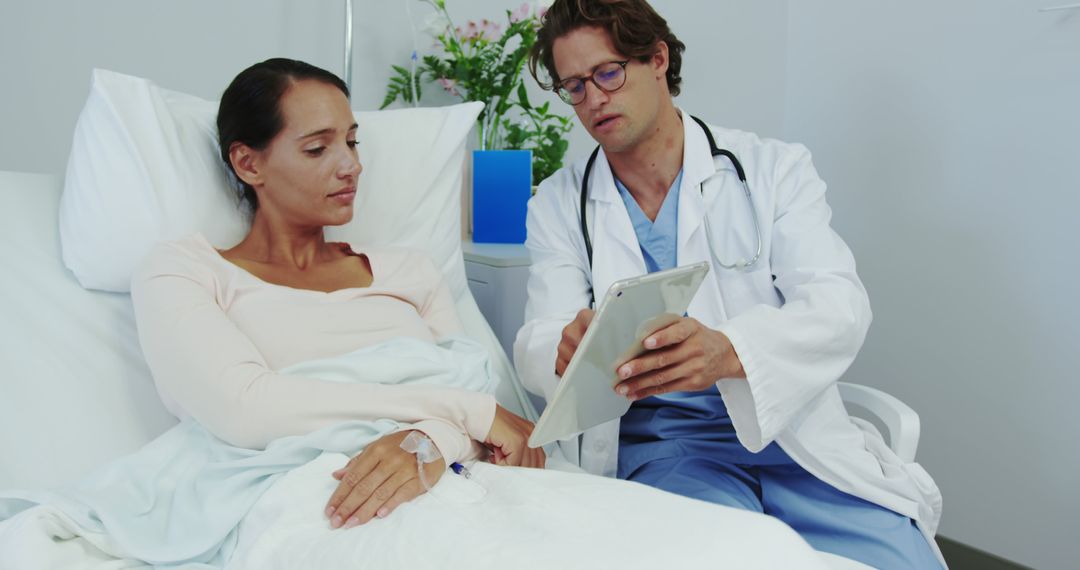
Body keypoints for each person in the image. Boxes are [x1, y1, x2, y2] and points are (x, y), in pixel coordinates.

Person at [514, 1, 945, 568]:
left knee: (903, 562)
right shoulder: (558, 203)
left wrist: (731, 351)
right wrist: (563, 345)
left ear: (658, 59)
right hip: (671, 453)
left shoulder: (773, 170)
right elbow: (535, 339)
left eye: (608, 73)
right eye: (574, 85)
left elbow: (840, 304)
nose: (593, 98)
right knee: (737, 557)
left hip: (792, 436)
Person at [132, 57, 544, 531]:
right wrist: (463, 414)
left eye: (351, 141)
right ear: (248, 163)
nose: (352, 165)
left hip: (451, 476)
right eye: (317, 149)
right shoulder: (185, 271)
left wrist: (429, 442)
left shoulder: (411, 270)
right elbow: (245, 409)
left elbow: (479, 407)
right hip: (325, 495)